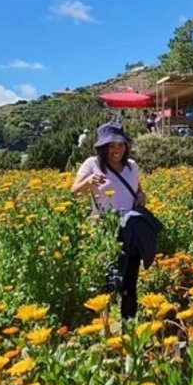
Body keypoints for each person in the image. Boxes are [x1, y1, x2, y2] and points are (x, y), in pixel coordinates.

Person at [71, 122, 149, 320]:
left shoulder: (132, 166)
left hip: (130, 228)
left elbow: (138, 189)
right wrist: (88, 183)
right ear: (102, 148)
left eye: (120, 145)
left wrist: (141, 196)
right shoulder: (92, 164)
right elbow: (74, 192)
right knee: (109, 278)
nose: (117, 150)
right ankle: (105, 324)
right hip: (104, 229)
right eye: (111, 146)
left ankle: (128, 323)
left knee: (130, 280)